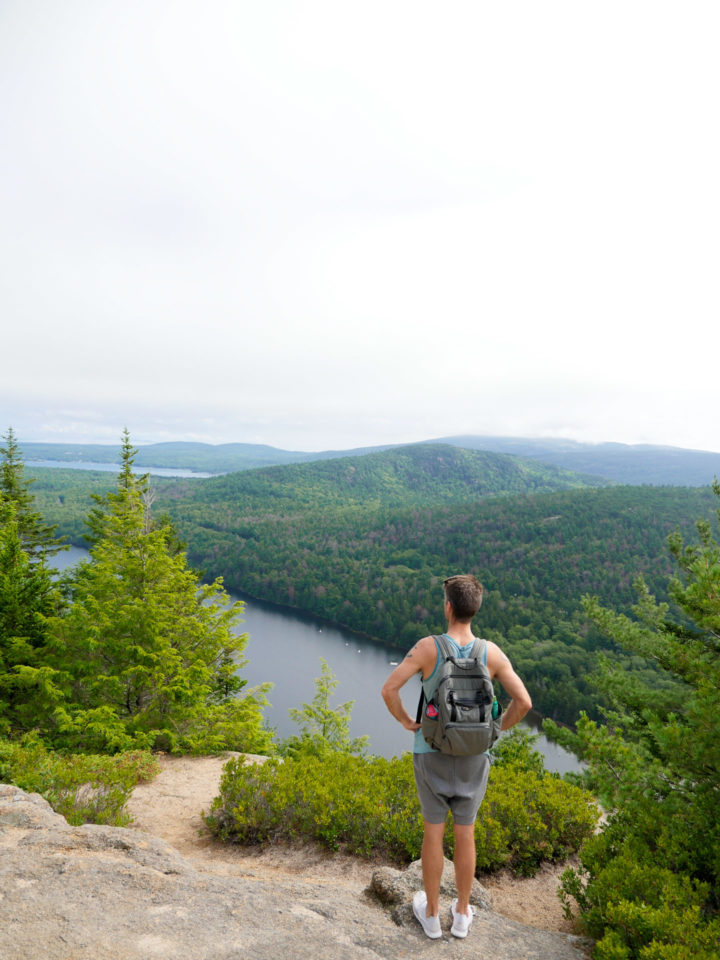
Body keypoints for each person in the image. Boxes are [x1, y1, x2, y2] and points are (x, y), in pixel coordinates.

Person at [381, 574, 532, 940]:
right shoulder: (490, 652)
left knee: (433, 833)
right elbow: (524, 702)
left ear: (448, 607)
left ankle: (431, 916)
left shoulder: (428, 648)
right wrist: (495, 730)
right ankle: (462, 913)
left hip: (430, 752)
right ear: (474, 609)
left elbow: (389, 689)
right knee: (466, 833)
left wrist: (407, 721)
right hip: (475, 757)